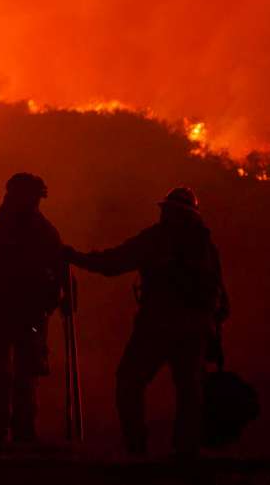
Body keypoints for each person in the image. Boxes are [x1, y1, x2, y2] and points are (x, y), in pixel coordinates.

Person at [65, 187, 229, 459]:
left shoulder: (157, 239)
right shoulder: (205, 245)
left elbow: (112, 263)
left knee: (129, 381)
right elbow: (222, 297)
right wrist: (210, 328)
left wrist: (75, 257)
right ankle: (186, 450)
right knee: (189, 388)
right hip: (195, 328)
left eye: (166, 210)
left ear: (172, 211)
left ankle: (136, 446)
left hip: (157, 324)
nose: (163, 214)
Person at [0, 173, 69, 443]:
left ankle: (6, 431)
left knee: (16, 370)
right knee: (18, 371)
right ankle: (17, 431)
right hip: (18, 311)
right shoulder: (38, 231)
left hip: (19, 310)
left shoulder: (8, 228)